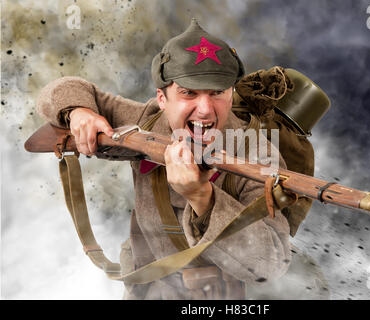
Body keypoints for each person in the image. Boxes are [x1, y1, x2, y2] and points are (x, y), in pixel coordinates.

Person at [36, 18, 291, 299]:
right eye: (189, 93)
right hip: (145, 290)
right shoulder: (146, 122)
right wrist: (79, 111)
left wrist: (203, 198)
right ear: (162, 98)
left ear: (231, 94)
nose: (205, 109)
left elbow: (272, 263)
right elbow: (61, 87)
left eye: (217, 93)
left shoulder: (257, 153)